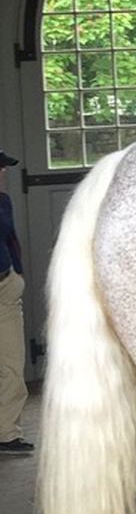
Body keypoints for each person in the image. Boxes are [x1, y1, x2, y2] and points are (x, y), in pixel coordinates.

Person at [0, 150, 32, 454]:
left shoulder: (3, 201)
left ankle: (6, 433)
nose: (3, 173)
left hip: (4, 286)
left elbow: (9, 238)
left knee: (11, 362)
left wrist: (17, 275)